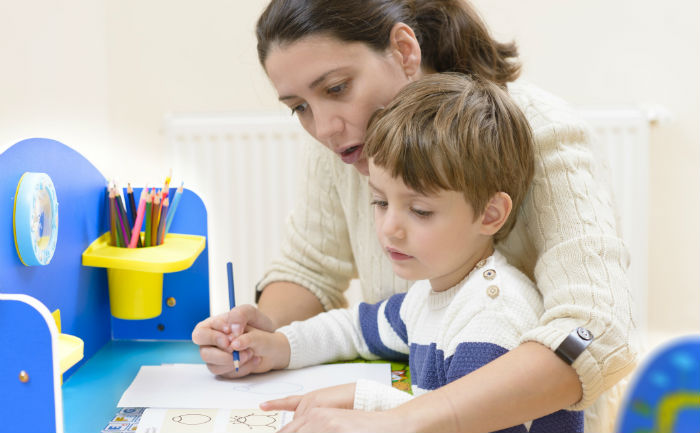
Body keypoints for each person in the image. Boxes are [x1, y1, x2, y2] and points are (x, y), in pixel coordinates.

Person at [192, 1, 637, 431]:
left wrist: (394, 419)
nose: (324, 127)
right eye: (299, 107)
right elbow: (311, 267)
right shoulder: (347, 140)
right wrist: (265, 335)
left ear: (404, 51)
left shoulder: (537, 130)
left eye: (336, 88)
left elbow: (595, 331)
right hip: (412, 403)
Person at [229, 72, 585, 433]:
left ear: (490, 214)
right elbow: (357, 329)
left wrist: (364, 401)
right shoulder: (433, 294)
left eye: (420, 211)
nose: (389, 228)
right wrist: (279, 346)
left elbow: (467, 424)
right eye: (380, 201)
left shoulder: (492, 314)